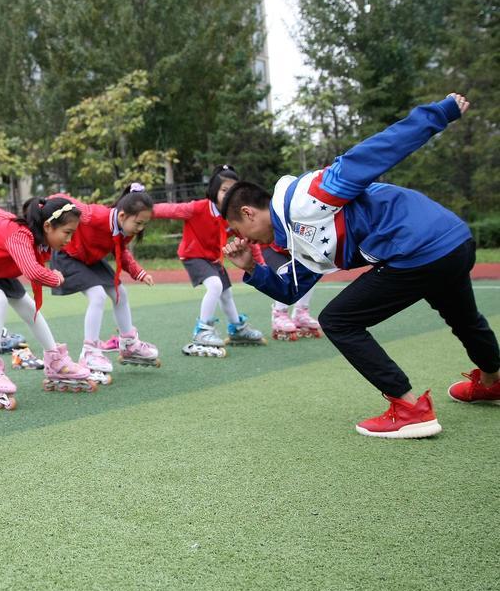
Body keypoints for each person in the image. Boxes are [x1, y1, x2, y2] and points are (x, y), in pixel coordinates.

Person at [221, 93, 500, 439]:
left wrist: (439, 113)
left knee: (338, 320)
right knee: (463, 318)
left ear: (248, 213)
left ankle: (409, 409)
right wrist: (251, 268)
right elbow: (291, 290)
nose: (245, 240)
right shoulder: (295, 236)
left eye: (239, 231)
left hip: (418, 248)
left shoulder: (305, 197)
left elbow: (375, 152)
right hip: (453, 242)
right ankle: (491, 382)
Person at [0, 197, 96, 410]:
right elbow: (33, 272)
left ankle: (55, 360)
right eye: (67, 232)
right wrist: (55, 278)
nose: (69, 239)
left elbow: (4, 216)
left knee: (27, 305)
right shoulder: (20, 236)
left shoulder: (32, 233)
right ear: (47, 226)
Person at [151, 165, 265, 357]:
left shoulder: (232, 216)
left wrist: (260, 263)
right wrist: (144, 208)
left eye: (234, 190)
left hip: (213, 258)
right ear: (214, 190)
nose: (229, 194)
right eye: (224, 190)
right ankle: (203, 330)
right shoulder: (197, 208)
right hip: (193, 255)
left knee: (226, 293)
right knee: (215, 285)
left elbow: (248, 238)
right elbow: (170, 209)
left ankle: (237, 329)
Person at [50, 184, 159, 383]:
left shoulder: (125, 231)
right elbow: (64, 200)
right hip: (69, 256)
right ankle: (89, 352)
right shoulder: (94, 216)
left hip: (90, 260)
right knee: (97, 295)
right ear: (123, 215)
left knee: (121, 294)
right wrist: (47, 203)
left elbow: (122, 252)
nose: (140, 228)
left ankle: (128, 343)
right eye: (139, 223)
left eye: (144, 224)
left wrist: (139, 272)